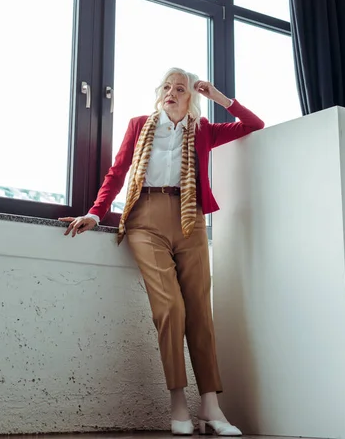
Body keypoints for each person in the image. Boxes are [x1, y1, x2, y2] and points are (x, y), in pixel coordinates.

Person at [60, 68, 264, 436]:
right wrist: (95, 213)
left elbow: (254, 124)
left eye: (180, 88)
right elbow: (118, 172)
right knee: (170, 307)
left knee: (201, 311)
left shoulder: (203, 130)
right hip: (145, 219)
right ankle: (178, 404)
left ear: (191, 97)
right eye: (167, 87)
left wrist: (219, 97)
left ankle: (211, 407)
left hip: (190, 220)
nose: (171, 93)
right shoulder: (140, 125)